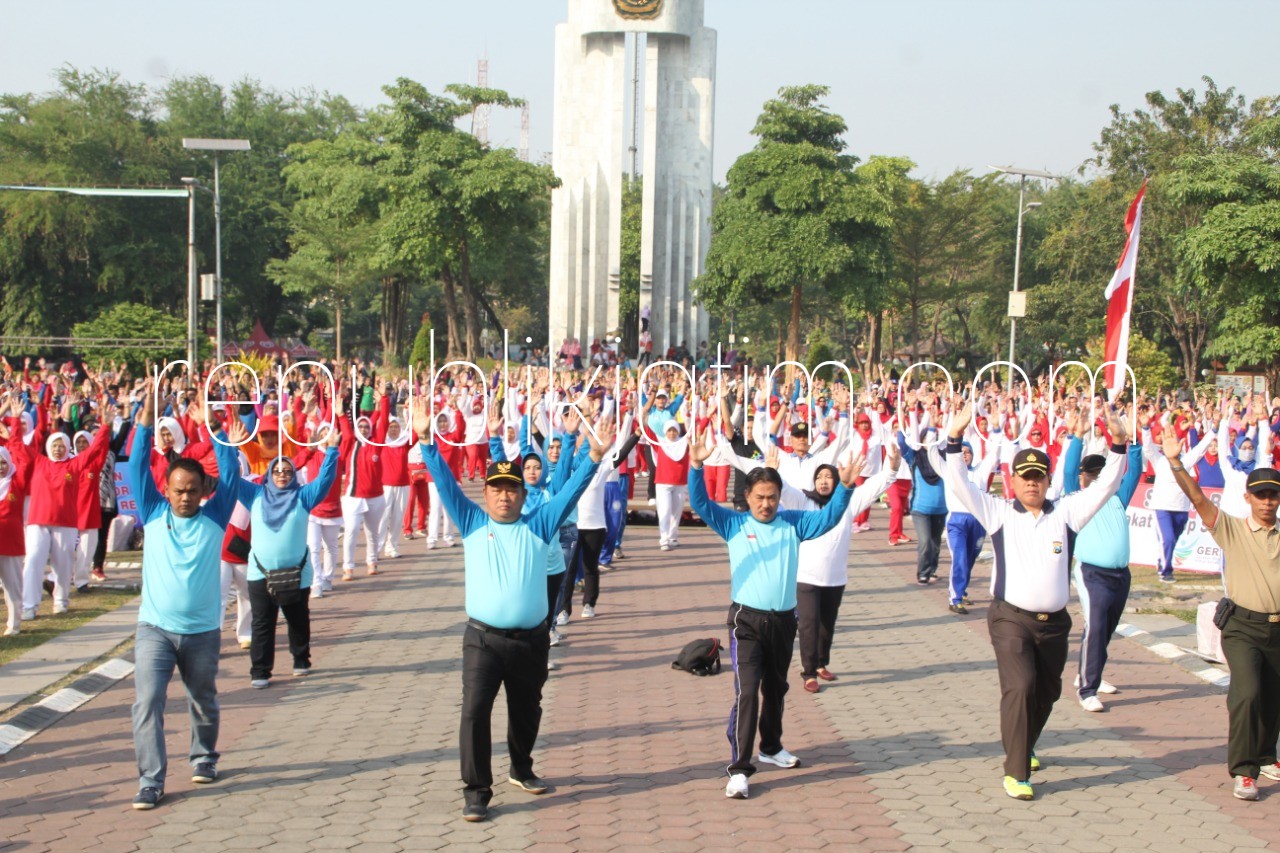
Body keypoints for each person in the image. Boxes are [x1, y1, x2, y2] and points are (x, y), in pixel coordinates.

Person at [413, 400, 612, 823]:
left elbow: (570, 491)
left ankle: (521, 767)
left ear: (523, 495)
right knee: (474, 712)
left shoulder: (539, 523)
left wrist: (593, 456)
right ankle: (476, 791)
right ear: (485, 494)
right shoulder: (470, 522)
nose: (505, 497)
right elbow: (445, 482)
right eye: (497, 490)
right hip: (483, 640)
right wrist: (426, 440)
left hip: (531, 641)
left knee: (528, 709)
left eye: (512, 490)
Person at [938, 401, 1128, 801]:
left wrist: (1119, 443)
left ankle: (1027, 742)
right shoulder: (998, 513)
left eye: (1038, 477)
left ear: (1046, 480)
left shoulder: (1067, 513)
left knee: (1047, 693)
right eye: (1025, 478)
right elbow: (959, 484)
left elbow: (1107, 484)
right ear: (1014, 481)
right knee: (1021, 687)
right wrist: (954, 439)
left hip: (1054, 623)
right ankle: (1017, 771)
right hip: (1010, 619)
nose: (1031, 484)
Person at [687, 428, 859, 801]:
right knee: (748, 691)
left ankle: (771, 746)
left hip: (783, 621)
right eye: (759, 497)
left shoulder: (793, 523)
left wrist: (844, 488)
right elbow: (699, 503)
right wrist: (697, 465)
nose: (766, 504)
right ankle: (739, 769)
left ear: (781, 498)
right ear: (747, 497)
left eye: (772, 497)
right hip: (745, 622)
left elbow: (828, 519)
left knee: (776, 688)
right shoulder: (734, 523)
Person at [127, 379, 242, 810]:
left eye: (193, 490)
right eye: (178, 490)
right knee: (148, 702)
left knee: (203, 699)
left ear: (203, 492)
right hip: (154, 630)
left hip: (202, 631)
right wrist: (146, 415)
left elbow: (230, 474)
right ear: (167, 490)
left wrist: (212, 425)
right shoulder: (153, 514)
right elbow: (138, 462)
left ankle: (204, 757)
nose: (185, 497)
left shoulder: (215, 517)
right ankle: (150, 781)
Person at [1161, 432, 1280, 802]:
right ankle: (1244, 772)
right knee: (1246, 694)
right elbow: (1197, 497)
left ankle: (1265, 757)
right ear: (1247, 498)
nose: (1266, 501)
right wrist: (1176, 462)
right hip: (1242, 627)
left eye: (1273, 494)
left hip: (1277, 630)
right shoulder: (1231, 528)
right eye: (1260, 494)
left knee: (1273, 698)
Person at [774, 441, 901, 693]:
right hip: (806, 578)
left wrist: (892, 467)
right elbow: (784, 490)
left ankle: (821, 663)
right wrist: (773, 471)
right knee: (808, 624)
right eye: (819, 477)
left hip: (835, 578)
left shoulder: (847, 503)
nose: (823, 481)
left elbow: (877, 485)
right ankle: (809, 673)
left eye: (828, 476)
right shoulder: (802, 502)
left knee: (826, 625)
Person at [234, 422, 340, 688]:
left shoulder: (303, 497)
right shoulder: (255, 495)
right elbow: (229, 478)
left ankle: (301, 659)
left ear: (294, 474)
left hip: (297, 573)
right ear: (268, 474)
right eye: (277, 471)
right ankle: (260, 671)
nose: (282, 474)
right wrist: (229, 445)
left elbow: (326, 480)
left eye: (287, 470)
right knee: (262, 623)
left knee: (297, 618)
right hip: (260, 573)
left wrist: (332, 452)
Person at [1059, 416, 1145, 711]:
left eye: (1100, 474)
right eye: (1090, 474)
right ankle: (1087, 689)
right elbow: (1069, 470)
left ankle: (1090, 671)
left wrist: (1134, 440)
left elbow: (1135, 470)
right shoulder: (1076, 497)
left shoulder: (1117, 496)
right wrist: (1077, 437)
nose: (1095, 479)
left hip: (1121, 574)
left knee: (1105, 628)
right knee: (1095, 625)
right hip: (1091, 572)